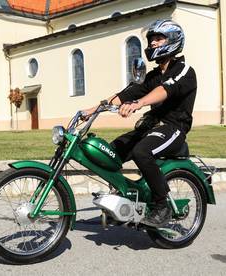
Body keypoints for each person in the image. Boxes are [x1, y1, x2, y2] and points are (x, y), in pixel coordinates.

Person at [82, 19, 197, 227]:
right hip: (151, 126)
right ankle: (123, 198)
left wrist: (139, 103)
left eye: (159, 39)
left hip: (173, 128)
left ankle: (163, 206)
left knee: (141, 152)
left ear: (173, 40)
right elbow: (127, 93)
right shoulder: (152, 75)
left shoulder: (184, 70)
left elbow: (164, 91)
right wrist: (92, 110)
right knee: (111, 152)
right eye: (151, 39)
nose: (153, 43)